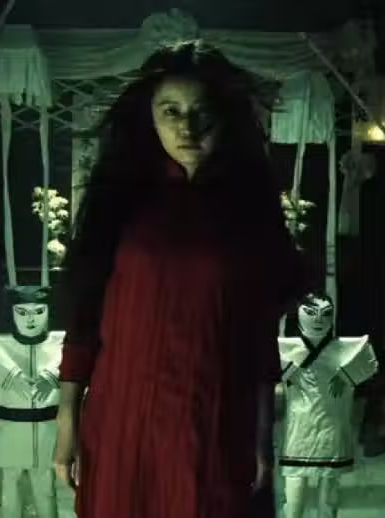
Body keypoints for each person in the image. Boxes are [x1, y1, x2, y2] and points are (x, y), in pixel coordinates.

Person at [52, 40, 307, 518]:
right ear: (148, 117)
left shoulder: (250, 212)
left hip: (212, 419)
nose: (186, 127)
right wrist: (67, 421)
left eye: (201, 111)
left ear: (226, 117)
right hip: (123, 420)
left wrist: (262, 437)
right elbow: (84, 320)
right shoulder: (118, 201)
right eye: (170, 111)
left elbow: (259, 338)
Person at [277, 292, 378, 518]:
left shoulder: (343, 348)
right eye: (311, 313)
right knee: (294, 497)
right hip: (299, 430)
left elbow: (369, 359)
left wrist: (347, 375)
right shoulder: (288, 348)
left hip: (331, 428)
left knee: (329, 495)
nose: (318, 320)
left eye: (325, 314)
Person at [0, 286, 64, 518]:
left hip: (45, 426)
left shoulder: (58, 341)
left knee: (44, 482)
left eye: (38, 311)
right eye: (22, 312)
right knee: (11, 480)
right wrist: (12, 375)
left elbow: (70, 355)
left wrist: (52, 374)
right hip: (10, 424)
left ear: (48, 312)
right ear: (12, 313)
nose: (30, 319)